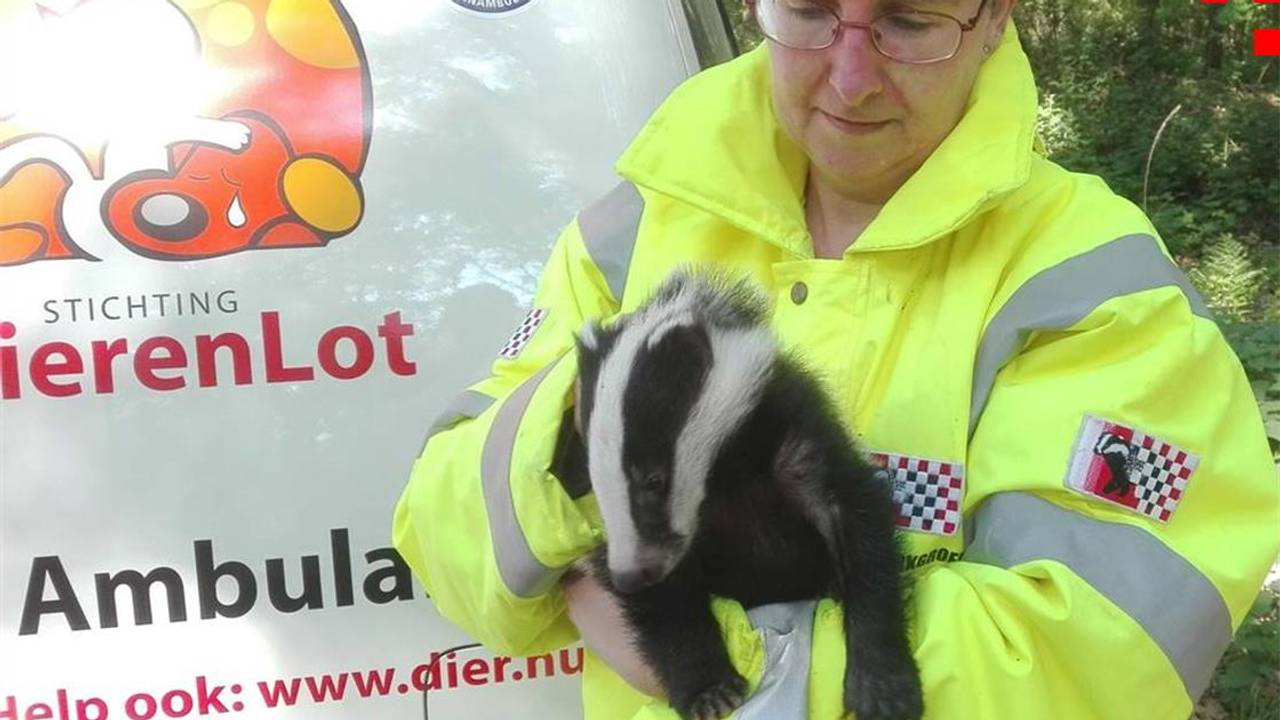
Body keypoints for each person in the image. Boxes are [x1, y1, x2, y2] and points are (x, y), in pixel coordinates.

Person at [393, 0, 1280, 717]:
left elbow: (1092, 654)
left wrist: (720, 670)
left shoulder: (1097, 282)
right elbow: (442, 522)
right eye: (812, 11)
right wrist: (590, 427)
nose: (850, 79)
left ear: (996, 18)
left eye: (908, 23)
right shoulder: (630, 231)